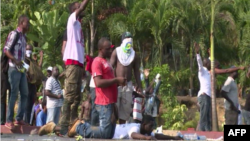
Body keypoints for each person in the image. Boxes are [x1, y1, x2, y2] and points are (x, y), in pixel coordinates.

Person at [39, 37, 126, 138]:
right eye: (107, 49)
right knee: (105, 133)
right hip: (104, 102)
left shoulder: (107, 63)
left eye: (111, 48)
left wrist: (119, 84)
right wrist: (116, 80)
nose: (110, 50)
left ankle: (76, 127)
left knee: (109, 134)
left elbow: (110, 82)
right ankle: (79, 127)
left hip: (110, 102)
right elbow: (98, 82)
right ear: (100, 50)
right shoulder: (97, 62)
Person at [60, 0, 90, 135]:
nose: (81, 9)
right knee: (70, 96)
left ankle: (72, 124)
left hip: (78, 64)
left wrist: (83, 66)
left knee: (77, 97)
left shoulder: (79, 26)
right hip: (72, 63)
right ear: (74, 11)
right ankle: (62, 126)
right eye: (78, 8)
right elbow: (83, 6)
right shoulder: (72, 20)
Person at [38, 115, 182, 140]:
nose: (152, 129)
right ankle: (53, 127)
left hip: (108, 130)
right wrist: (146, 138)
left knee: (73, 133)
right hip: (107, 132)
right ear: (144, 125)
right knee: (82, 131)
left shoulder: (143, 129)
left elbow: (156, 135)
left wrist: (173, 138)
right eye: (151, 126)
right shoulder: (136, 128)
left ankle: (55, 128)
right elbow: (133, 135)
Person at [110, 31, 143, 124]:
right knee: (114, 109)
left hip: (128, 86)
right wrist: (112, 81)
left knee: (125, 111)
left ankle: (122, 129)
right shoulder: (116, 52)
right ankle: (112, 132)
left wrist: (139, 85)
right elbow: (110, 67)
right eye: (127, 39)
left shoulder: (134, 55)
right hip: (116, 85)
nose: (129, 42)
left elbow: (136, 71)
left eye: (130, 40)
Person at [4, 15, 30, 129]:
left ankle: (19, 118)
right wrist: (15, 60)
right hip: (13, 68)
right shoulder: (14, 34)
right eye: (27, 23)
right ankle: (9, 120)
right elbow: (6, 50)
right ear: (22, 23)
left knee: (25, 93)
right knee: (14, 93)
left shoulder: (24, 38)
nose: (28, 25)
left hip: (21, 70)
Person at [194, 42, 212, 131]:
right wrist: (198, 54)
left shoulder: (208, 72)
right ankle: (201, 136)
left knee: (208, 119)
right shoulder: (202, 71)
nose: (210, 63)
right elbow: (200, 63)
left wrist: (210, 53)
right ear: (206, 64)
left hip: (208, 97)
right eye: (208, 62)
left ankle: (209, 136)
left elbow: (210, 60)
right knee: (203, 119)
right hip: (204, 96)